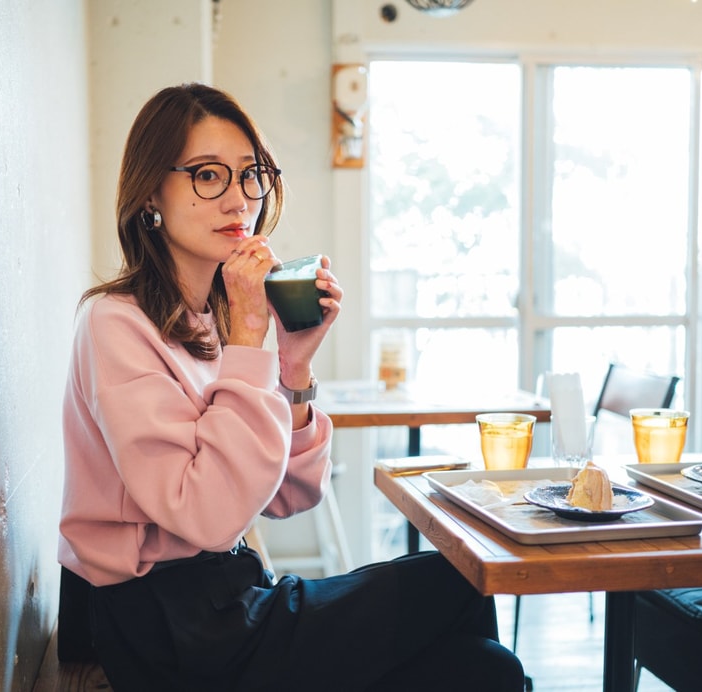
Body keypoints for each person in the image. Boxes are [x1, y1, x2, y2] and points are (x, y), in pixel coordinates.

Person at [58, 82, 524, 691]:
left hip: (232, 598)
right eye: (207, 175)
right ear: (151, 192)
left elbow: (291, 494)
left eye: (251, 175)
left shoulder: (209, 320)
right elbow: (206, 517)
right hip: (166, 627)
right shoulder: (115, 323)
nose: (238, 200)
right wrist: (251, 335)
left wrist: (294, 368)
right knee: (458, 579)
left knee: (485, 671)